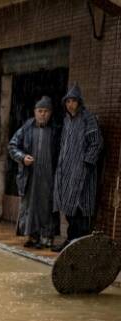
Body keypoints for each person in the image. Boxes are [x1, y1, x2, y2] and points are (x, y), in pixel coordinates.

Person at [52, 84, 104, 252]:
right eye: (68, 101)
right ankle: (71, 241)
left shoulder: (88, 118)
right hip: (66, 172)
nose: (70, 104)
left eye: (73, 101)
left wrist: (86, 164)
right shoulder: (67, 120)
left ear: (79, 102)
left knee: (80, 209)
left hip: (82, 173)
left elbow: (96, 143)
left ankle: (79, 244)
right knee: (68, 208)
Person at [8, 96, 62, 249]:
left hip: (49, 175)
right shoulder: (26, 128)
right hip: (30, 175)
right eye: (40, 111)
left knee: (48, 206)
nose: (42, 114)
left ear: (50, 113)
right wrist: (22, 157)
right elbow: (12, 146)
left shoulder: (56, 130)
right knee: (31, 206)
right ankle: (32, 236)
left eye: (46, 111)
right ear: (35, 112)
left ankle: (47, 237)